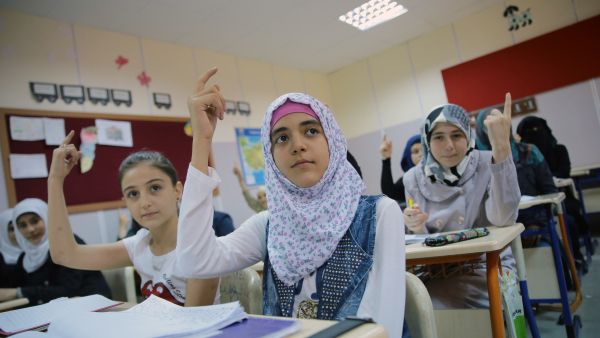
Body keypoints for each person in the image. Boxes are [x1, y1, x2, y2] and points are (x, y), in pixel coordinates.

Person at [175, 68, 405, 337]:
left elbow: (384, 323)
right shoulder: (271, 225)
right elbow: (194, 261)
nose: (297, 145)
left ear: (332, 139)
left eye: (311, 131)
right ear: (270, 157)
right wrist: (202, 141)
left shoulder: (378, 213)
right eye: (282, 138)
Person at [46, 140, 219, 306]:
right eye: (133, 194)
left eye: (155, 188)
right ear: (125, 201)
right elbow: (64, 255)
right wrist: (55, 179)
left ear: (177, 190)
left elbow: (194, 327)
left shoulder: (198, 247)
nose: (144, 203)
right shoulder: (139, 245)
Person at [403, 95, 520, 309]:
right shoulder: (413, 178)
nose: (449, 146)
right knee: (404, 302)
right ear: (427, 141)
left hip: (486, 265)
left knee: (436, 304)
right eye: (438, 137)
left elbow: (504, 218)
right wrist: (416, 226)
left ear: (468, 136)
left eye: (456, 135)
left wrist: (502, 148)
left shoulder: (487, 161)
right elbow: (420, 239)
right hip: (434, 269)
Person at [0, 198, 111, 305]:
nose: (30, 229)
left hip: (92, 305)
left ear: (47, 218)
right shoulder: (25, 258)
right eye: (23, 225)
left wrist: (19, 292)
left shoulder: (67, 244)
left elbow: (67, 290)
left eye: (34, 221)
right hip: (56, 311)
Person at [476, 109, 557, 247]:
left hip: (533, 222)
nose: (494, 130)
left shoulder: (529, 151)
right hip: (493, 232)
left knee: (546, 251)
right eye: (488, 126)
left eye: (498, 124)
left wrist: (539, 224)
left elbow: (549, 190)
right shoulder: (476, 160)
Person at [517, 115, 590, 266]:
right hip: (528, 206)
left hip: (558, 197)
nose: (534, 133)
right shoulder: (519, 157)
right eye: (529, 131)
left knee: (568, 221)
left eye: (537, 129)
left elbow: (564, 172)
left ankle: (573, 258)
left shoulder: (558, 150)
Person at [380, 134, 422, 203]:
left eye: (424, 150)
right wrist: (386, 159)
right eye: (416, 151)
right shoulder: (407, 181)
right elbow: (389, 192)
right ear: (409, 157)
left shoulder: (438, 175)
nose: (421, 154)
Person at [1, 208, 22, 287]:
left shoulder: (40, 253)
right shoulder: (1, 259)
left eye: (20, 227)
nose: (18, 232)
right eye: (12, 229)